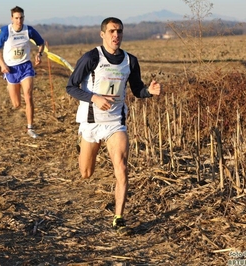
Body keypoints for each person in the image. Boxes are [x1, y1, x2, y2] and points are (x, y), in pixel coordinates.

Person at [66, 17, 162, 235]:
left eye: (119, 31)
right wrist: (94, 98)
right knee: (86, 173)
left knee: (122, 169)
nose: (115, 35)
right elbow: (71, 87)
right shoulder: (92, 58)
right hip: (91, 122)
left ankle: (118, 217)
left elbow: (137, 90)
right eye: (111, 31)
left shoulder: (130, 61)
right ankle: (81, 144)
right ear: (103, 34)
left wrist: (150, 91)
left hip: (115, 123)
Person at [0, 6, 45, 139]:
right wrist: (2, 65)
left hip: (26, 66)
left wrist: (39, 54)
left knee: (28, 95)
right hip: (11, 69)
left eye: (21, 17)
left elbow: (41, 43)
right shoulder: (6, 31)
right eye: (16, 18)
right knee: (16, 104)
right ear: (12, 19)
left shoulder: (29, 30)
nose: (19, 20)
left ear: (24, 18)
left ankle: (30, 128)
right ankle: (9, 84)